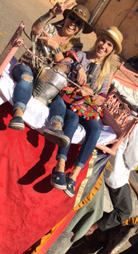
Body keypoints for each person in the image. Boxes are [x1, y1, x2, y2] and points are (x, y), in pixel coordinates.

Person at [43, 26, 123, 198]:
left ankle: (74, 175)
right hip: (70, 99)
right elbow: (64, 61)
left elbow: (102, 98)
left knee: (95, 129)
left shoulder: (106, 71)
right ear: (97, 40)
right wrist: (78, 67)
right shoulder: (81, 55)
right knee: (71, 119)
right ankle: (60, 166)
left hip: (87, 104)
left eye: (109, 45)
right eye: (103, 40)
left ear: (112, 50)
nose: (104, 46)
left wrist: (91, 93)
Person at [8, 0, 93, 130]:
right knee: (27, 78)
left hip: (47, 81)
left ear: (80, 29)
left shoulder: (76, 46)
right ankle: (18, 115)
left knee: (59, 101)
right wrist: (51, 13)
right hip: (28, 66)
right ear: (66, 17)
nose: (73, 23)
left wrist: (55, 47)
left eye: (78, 23)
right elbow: (35, 29)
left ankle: (56, 129)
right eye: (72, 17)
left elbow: (64, 65)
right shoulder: (51, 29)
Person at [85, 97, 138, 235]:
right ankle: (92, 227)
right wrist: (137, 162)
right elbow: (132, 160)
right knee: (125, 211)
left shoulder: (124, 113)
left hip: (100, 156)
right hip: (114, 172)